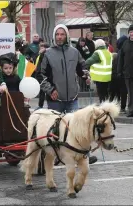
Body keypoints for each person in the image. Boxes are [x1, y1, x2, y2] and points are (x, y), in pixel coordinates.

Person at [38, 24, 97, 165]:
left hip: (72, 96)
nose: (59, 37)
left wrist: (86, 76)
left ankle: (84, 154)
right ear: (54, 36)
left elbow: (81, 67)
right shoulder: (47, 54)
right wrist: (50, 90)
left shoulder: (74, 52)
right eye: (57, 34)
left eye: (62, 34)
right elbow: (40, 75)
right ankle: (57, 155)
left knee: (77, 127)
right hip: (55, 97)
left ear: (66, 36)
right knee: (55, 129)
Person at [86, 39, 112, 103]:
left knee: (101, 95)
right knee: (106, 95)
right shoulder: (108, 52)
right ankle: (107, 108)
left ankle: (103, 109)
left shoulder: (98, 53)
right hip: (107, 77)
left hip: (100, 77)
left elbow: (89, 61)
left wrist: (82, 65)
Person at [34, 42, 50, 109]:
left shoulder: (45, 55)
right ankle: (40, 105)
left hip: (43, 75)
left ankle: (48, 105)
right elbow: (37, 64)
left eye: (42, 48)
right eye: (40, 47)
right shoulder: (39, 55)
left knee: (46, 90)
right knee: (42, 91)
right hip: (38, 75)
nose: (40, 49)